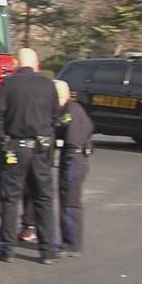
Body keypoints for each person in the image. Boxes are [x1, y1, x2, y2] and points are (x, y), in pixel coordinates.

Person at [0, 48, 60, 264]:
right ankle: (47, 251)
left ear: (16, 63)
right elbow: (55, 115)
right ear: (36, 64)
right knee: (43, 198)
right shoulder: (48, 84)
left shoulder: (9, 84)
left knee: (10, 198)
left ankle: (7, 248)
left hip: (15, 147)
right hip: (42, 148)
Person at [53, 79, 93, 258]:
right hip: (76, 158)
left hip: (73, 160)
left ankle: (71, 244)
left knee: (70, 202)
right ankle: (70, 241)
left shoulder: (70, 112)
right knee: (68, 200)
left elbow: (72, 138)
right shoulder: (72, 109)